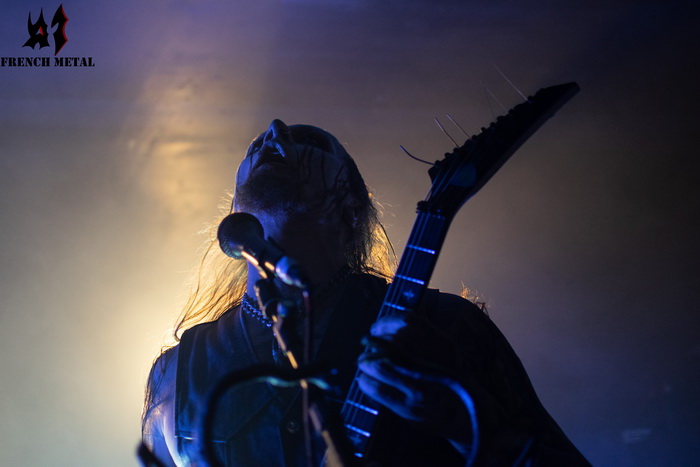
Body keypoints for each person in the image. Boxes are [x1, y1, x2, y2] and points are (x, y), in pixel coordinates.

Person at [141, 119, 589, 466]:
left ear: (353, 211)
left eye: (311, 142)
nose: (273, 132)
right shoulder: (175, 372)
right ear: (235, 210)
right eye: (255, 144)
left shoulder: (445, 327)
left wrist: (466, 420)